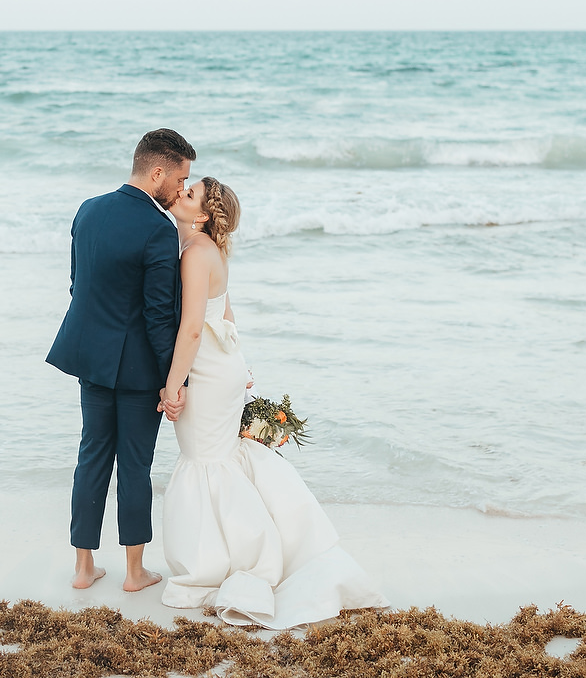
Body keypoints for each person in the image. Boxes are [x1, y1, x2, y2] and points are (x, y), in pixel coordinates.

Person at [159, 176, 388, 628]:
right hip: (223, 365)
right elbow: (226, 313)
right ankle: (242, 548)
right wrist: (239, 368)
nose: (180, 194)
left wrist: (172, 386)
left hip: (205, 371)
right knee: (218, 458)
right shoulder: (214, 251)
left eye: (190, 193)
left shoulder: (193, 254)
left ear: (203, 215)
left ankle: (228, 559)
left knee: (205, 461)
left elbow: (189, 330)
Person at [45, 128, 195, 592]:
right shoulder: (158, 229)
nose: (181, 188)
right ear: (157, 172)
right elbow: (158, 315)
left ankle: (84, 568)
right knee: (134, 466)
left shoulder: (87, 210)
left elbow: (77, 283)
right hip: (136, 368)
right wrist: (177, 377)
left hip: (90, 358)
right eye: (180, 178)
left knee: (91, 457)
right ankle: (134, 573)